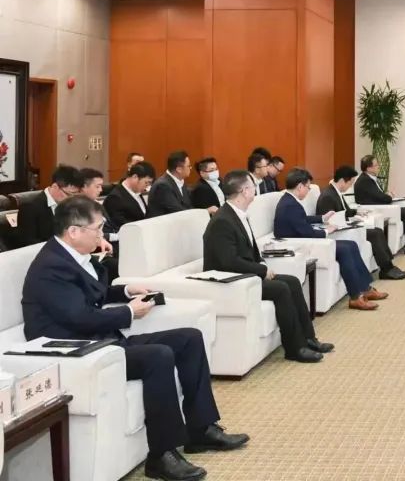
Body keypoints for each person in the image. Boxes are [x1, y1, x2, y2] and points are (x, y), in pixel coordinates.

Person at [23, 195, 249, 481]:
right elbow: (79, 317)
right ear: (74, 231)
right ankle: (161, 455)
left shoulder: (71, 256)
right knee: (159, 355)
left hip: (101, 340)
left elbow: (92, 294)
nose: (103, 234)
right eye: (98, 228)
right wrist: (129, 312)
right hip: (78, 349)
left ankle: (200, 429)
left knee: (190, 339)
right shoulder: (51, 266)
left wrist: (127, 291)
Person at [202, 170, 333, 363]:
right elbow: (229, 262)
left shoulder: (238, 214)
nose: (255, 190)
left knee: (293, 282)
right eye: (252, 186)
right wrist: (262, 271)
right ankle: (294, 348)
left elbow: (251, 249)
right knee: (281, 288)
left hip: (246, 273)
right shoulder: (222, 220)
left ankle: (308, 338)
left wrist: (262, 263)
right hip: (231, 280)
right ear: (245, 191)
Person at [273, 168, 385, 310]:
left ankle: (365, 288)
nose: (308, 191)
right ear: (300, 186)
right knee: (345, 249)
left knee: (351, 245)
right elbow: (306, 232)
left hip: (304, 240)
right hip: (300, 245)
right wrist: (327, 230)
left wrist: (322, 218)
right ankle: (356, 297)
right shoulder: (290, 205)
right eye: (308, 187)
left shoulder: (289, 200)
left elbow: (302, 220)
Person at [315, 165, 405, 280]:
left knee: (377, 231)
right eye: (350, 183)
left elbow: (343, 211)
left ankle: (389, 267)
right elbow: (329, 221)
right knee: (375, 234)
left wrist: (356, 212)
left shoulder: (334, 192)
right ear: (342, 181)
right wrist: (351, 223)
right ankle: (386, 269)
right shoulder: (328, 196)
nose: (351, 186)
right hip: (336, 233)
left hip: (345, 227)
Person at [353, 155, 405, 253]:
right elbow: (382, 198)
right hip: (376, 210)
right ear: (369, 168)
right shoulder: (365, 181)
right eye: (376, 165)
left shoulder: (370, 178)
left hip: (382, 207)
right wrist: (389, 196)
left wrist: (387, 196)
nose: (379, 166)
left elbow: (377, 195)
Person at [12, 165, 84, 249]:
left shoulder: (71, 205)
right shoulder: (30, 208)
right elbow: (29, 243)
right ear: (55, 187)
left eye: (75, 195)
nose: (72, 199)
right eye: (69, 194)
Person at [104, 161, 154, 230]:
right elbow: (121, 226)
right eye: (146, 183)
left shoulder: (137, 191)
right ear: (135, 177)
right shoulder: (115, 198)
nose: (147, 186)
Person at [146, 151, 193, 218]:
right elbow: (178, 211)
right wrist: (203, 212)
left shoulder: (180, 181)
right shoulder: (162, 186)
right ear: (179, 169)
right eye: (189, 166)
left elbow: (188, 206)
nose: (191, 168)